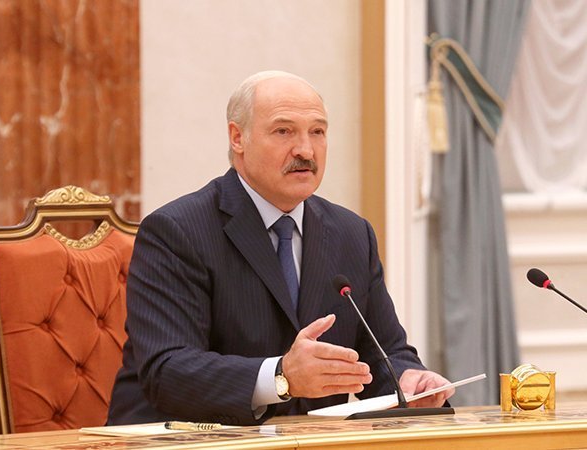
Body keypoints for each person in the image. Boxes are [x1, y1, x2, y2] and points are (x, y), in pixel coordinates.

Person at [108, 70, 453, 426]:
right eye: (284, 131)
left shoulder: (352, 234)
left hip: (310, 441)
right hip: (182, 438)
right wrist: (281, 377)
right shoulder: (177, 231)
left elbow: (383, 352)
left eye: (317, 132)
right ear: (237, 137)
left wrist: (408, 381)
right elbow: (168, 371)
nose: (306, 150)